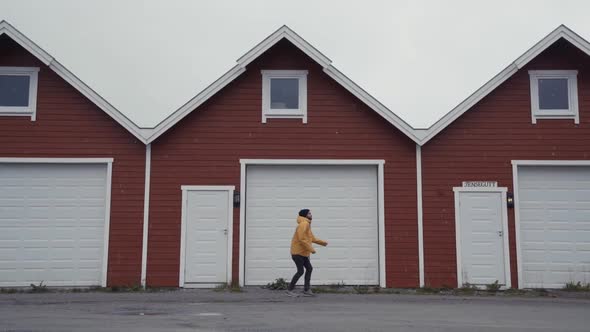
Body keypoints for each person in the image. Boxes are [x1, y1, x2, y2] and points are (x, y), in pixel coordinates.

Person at [286, 209, 327, 297]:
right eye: (309, 213)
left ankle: (306, 289)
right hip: (297, 252)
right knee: (300, 271)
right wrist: (311, 249)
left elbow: (312, 238)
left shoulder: (307, 224)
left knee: (309, 268)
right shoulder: (304, 224)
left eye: (311, 213)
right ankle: (289, 290)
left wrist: (323, 243)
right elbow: (301, 239)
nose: (311, 214)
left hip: (303, 253)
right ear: (305, 215)